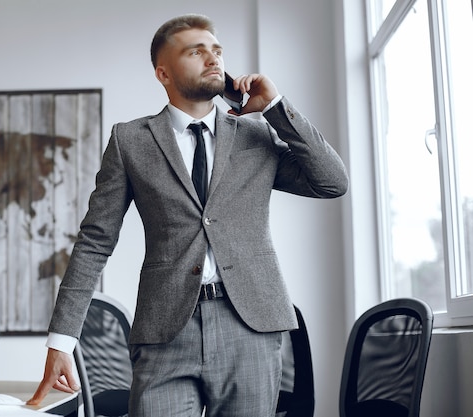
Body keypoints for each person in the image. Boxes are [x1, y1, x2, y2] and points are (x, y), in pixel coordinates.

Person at [28, 13, 348, 417]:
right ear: (163, 73)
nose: (213, 59)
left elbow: (331, 182)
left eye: (217, 51)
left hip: (250, 326)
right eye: (196, 52)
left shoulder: (256, 133)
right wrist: (62, 341)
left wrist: (277, 108)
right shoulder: (130, 141)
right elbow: (95, 241)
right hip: (164, 332)